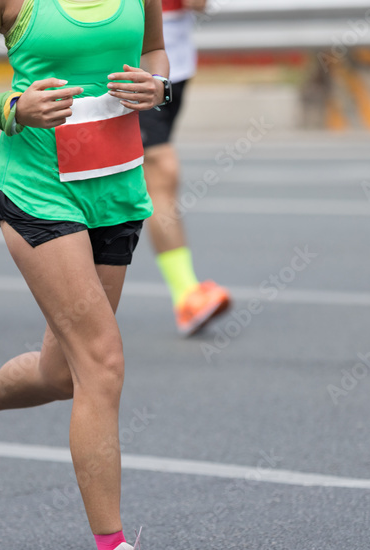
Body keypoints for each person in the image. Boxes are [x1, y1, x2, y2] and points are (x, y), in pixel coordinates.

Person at [0, 0, 187, 550]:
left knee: (62, 373)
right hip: (39, 192)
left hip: (117, 187)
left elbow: (154, 53)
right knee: (102, 361)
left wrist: (157, 86)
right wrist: (9, 108)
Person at [141, 0, 230, 336]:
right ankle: (186, 295)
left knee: (145, 178)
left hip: (174, 66)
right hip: (136, 66)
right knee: (161, 170)